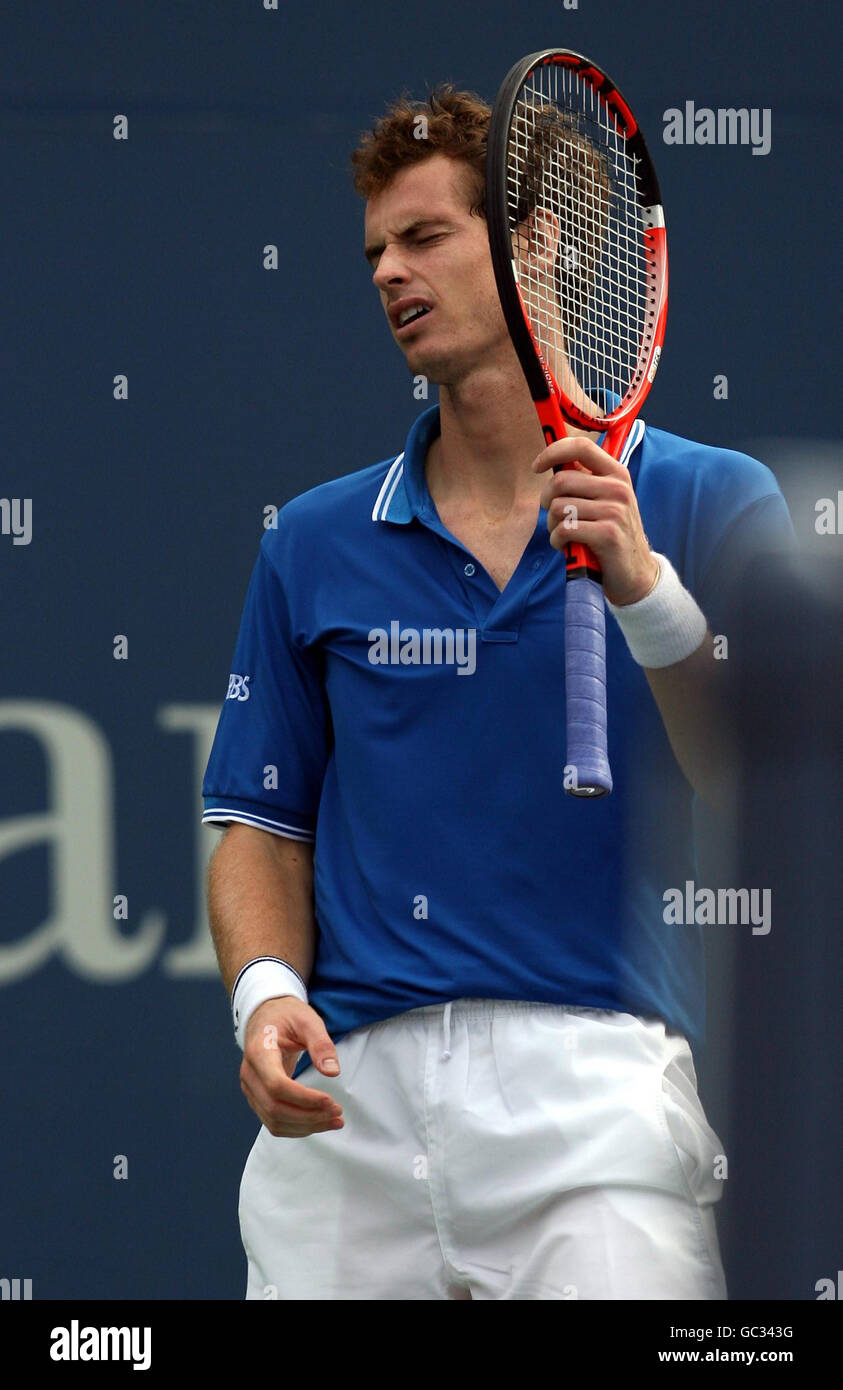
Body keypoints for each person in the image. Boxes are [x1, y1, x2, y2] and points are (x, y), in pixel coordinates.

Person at [201, 87, 795, 1300]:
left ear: (537, 242)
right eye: (375, 250)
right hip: (344, 1110)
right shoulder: (312, 540)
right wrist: (265, 995)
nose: (389, 273)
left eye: (425, 237)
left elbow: (747, 779)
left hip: (596, 1106)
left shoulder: (720, 503)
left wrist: (645, 589)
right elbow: (260, 820)